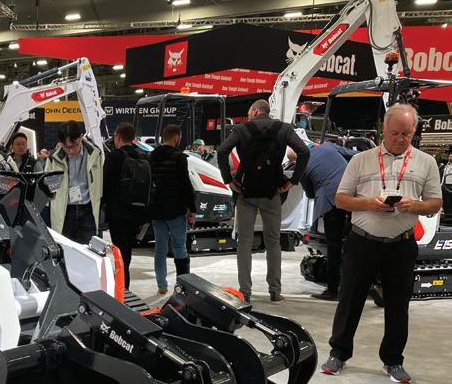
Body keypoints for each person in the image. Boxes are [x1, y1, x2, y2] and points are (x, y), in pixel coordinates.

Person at [320, 104, 442, 383]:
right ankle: (338, 353)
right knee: (350, 300)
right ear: (383, 129)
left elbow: (435, 202)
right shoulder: (360, 160)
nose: (400, 139)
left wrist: (415, 205)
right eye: (394, 133)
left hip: (401, 245)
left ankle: (393, 360)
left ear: (414, 131)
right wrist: (368, 204)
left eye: (406, 134)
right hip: (363, 242)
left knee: (398, 305)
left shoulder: (426, 162)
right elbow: (341, 199)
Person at [217, 99, 310, 302]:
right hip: (272, 191)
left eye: (249, 112)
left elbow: (222, 151)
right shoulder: (284, 129)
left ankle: (245, 292)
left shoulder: (241, 129)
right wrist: (293, 181)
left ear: (255, 111)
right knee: (273, 241)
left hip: (246, 191)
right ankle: (275, 291)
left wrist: (228, 180)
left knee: (244, 241)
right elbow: (304, 152)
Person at [298, 142, 357, 300]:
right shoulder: (329, 146)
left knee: (334, 246)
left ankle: (333, 290)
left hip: (331, 201)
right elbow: (354, 155)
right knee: (358, 241)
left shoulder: (302, 164)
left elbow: (310, 193)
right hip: (353, 193)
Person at [149, 124, 197, 294]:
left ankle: (162, 286)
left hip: (157, 209)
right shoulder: (180, 158)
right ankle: (182, 285)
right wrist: (192, 209)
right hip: (176, 210)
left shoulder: (151, 156)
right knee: (179, 247)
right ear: (176, 138)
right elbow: (186, 185)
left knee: (160, 248)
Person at [102, 122, 150, 288]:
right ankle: (124, 285)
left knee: (120, 253)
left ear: (117, 137)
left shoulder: (114, 157)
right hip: (138, 212)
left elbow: (105, 184)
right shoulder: (142, 157)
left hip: (117, 213)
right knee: (127, 251)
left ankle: (122, 287)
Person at [43, 120, 104, 245]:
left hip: (88, 210)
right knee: (65, 249)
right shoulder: (53, 158)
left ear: (80, 137)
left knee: (87, 250)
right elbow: (47, 188)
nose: (70, 151)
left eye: (74, 146)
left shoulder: (95, 154)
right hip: (64, 211)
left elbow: (99, 183)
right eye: (66, 147)